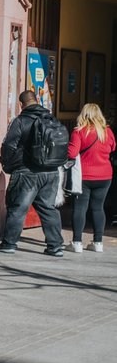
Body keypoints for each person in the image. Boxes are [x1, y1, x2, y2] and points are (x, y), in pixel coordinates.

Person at [0, 90, 66, 256]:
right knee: (48, 208)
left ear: (21, 104)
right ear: (37, 100)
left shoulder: (20, 121)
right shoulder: (51, 119)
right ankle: (55, 247)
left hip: (26, 172)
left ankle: (9, 243)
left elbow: (9, 146)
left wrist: (6, 162)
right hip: (51, 172)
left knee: (18, 208)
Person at [66, 103, 115, 253]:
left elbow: (72, 153)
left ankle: (77, 243)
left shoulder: (79, 132)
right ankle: (98, 242)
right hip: (105, 176)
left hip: (84, 176)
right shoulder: (107, 132)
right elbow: (112, 148)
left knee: (80, 208)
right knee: (98, 207)